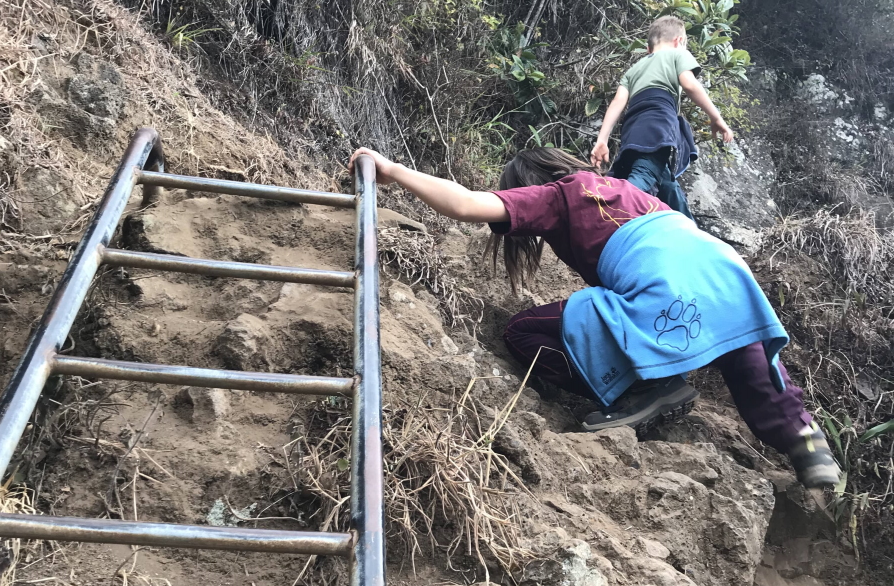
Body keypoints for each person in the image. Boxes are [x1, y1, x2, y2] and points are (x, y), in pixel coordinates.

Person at [348, 145, 841, 489]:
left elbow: (466, 204)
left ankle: (646, 388)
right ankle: (806, 442)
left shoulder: (558, 194)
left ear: (528, 184)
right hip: (721, 265)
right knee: (742, 348)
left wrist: (393, 170)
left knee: (524, 332)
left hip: (662, 285)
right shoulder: (629, 189)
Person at [590, 15, 734, 218]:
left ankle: (688, 229)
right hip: (658, 123)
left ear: (648, 49)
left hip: (632, 129)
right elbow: (689, 84)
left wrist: (602, 140)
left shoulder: (634, 69)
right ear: (679, 41)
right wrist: (716, 118)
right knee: (643, 176)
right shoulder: (678, 54)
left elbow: (617, 102)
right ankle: (602, 215)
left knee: (668, 187)